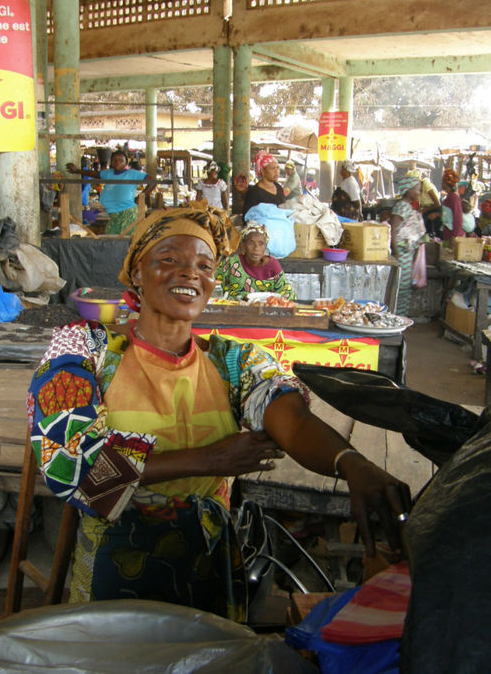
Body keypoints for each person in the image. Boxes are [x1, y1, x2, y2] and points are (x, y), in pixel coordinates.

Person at [27, 205, 410, 619]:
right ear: (136, 271)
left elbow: (291, 420)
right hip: (113, 574)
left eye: (205, 265)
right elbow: (72, 470)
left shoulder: (232, 361)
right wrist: (212, 459)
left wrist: (350, 463)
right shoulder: (84, 350)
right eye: (169, 259)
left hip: (208, 567)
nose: (190, 273)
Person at [67, 149, 156, 235]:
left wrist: (141, 197)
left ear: (126, 162)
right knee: (112, 238)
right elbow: (94, 174)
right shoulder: (108, 173)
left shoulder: (132, 173)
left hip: (128, 213)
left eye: (121, 160)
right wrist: (77, 171)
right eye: (115, 160)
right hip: (113, 214)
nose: (117, 162)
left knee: (126, 239)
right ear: (111, 162)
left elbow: (152, 182)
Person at [215, 221, 296, 301]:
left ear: (265, 246)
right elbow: (214, 288)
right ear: (243, 246)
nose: (256, 248)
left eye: (261, 244)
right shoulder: (231, 263)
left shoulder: (272, 266)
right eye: (251, 243)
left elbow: (288, 296)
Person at [388, 173, 427, 316]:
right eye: (417, 189)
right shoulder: (401, 207)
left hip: (407, 254)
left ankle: (401, 318)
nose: (419, 193)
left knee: (405, 289)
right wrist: (395, 250)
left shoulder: (409, 208)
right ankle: (396, 318)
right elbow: (393, 229)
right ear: (408, 190)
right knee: (400, 289)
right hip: (401, 254)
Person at [237, 151, 285, 216]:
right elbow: (248, 217)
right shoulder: (254, 193)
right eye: (272, 168)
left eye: (277, 168)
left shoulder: (279, 188)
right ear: (262, 171)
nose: (277, 171)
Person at [440, 168, 464, 241]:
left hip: (452, 236)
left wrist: (454, 236)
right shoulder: (450, 196)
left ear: (446, 183)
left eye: (442, 182)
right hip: (448, 234)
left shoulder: (453, 198)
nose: (441, 183)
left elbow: (458, 218)